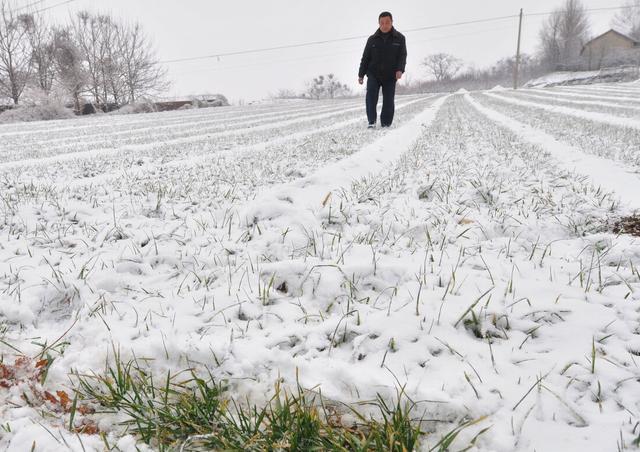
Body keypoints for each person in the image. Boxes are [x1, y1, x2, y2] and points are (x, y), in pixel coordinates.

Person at [358, 11, 407, 129]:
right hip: (373, 74)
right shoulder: (372, 39)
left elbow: (402, 56)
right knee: (371, 96)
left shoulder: (400, 38)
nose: (384, 25)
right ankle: (371, 121)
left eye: (387, 22)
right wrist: (361, 74)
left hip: (390, 75)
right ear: (379, 23)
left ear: (392, 22)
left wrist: (400, 69)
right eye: (382, 23)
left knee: (388, 100)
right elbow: (365, 58)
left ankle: (386, 123)